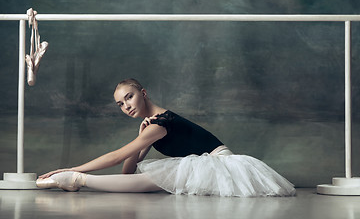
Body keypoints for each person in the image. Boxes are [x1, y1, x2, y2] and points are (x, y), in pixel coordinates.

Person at [36, 78, 296, 197]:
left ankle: (77, 178)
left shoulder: (162, 123)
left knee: (159, 178)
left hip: (220, 162)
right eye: (120, 104)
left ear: (143, 93)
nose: (126, 106)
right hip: (203, 162)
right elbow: (128, 172)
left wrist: (72, 167)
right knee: (150, 178)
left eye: (129, 97)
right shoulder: (151, 126)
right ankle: (78, 179)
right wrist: (142, 139)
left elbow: (117, 156)